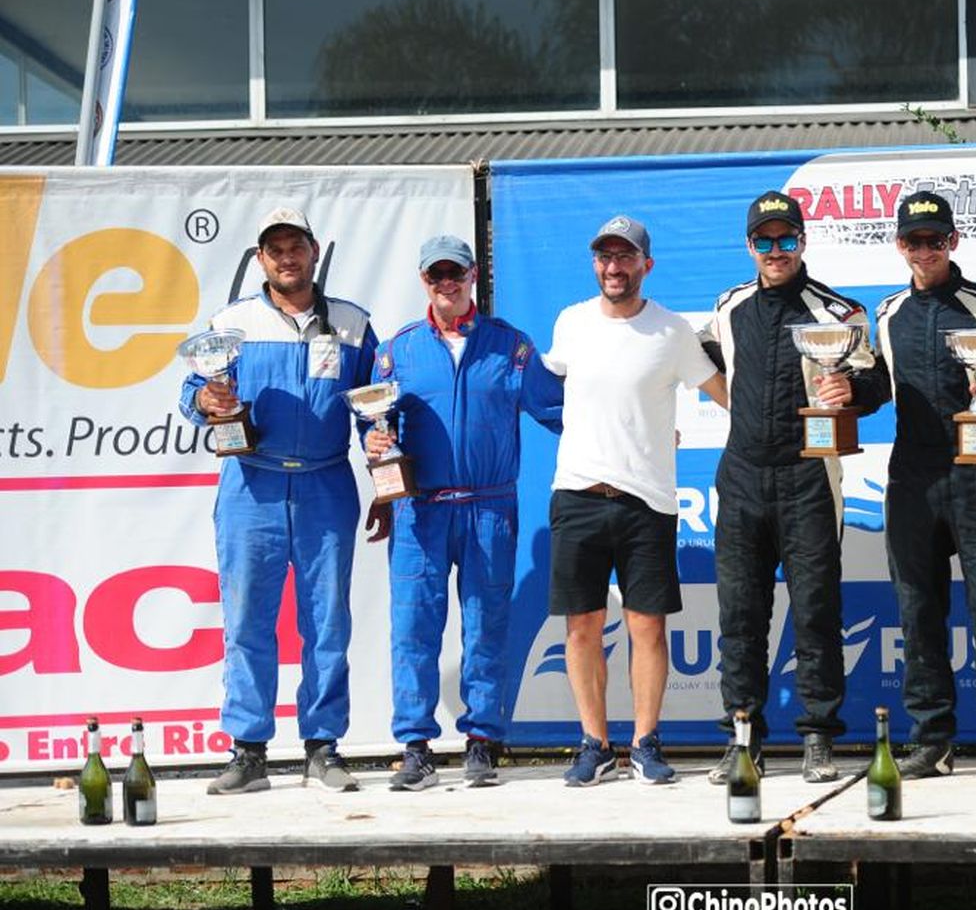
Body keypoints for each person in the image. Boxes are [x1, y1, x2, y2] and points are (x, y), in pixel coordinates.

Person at [180, 206, 379, 795]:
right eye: (275, 249)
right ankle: (249, 751)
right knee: (247, 622)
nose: (287, 257)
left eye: (296, 246)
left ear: (315, 252)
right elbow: (194, 391)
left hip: (325, 483)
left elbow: (372, 405)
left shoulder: (351, 322)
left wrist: (387, 472)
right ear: (260, 259)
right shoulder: (231, 322)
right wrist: (207, 403)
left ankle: (323, 748)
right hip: (252, 484)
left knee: (327, 621)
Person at [699, 190, 887, 786]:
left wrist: (848, 394)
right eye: (764, 240)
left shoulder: (839, 311)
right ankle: (742, 737)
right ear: (749, 246)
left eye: (786, 239)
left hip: (809, 477)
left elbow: (876, 382)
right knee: (740, 613)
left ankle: (817, 738)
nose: (775, 251)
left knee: (815, 610)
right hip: (743, 475)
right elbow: (702, 364)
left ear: (803, 242)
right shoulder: (728, 306)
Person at [364, 234, 563, 791]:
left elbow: (558, 409)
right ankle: (414, 746)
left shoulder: (511, 347)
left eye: (455, 274)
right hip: (420, 512)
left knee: (485, 626)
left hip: (489, 508)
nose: (446, 284)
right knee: (413, 629)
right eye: (436, 276)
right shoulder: (397, 349)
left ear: (473, 276)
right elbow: (373, 423)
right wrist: (373, 444)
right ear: (423, 280)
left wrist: (633, 428)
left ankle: (481, 741)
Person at [542, 215, 727, 786]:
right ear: (595, 264)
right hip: (577, 495)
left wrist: (784, 433)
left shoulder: (673, 331)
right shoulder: (571, 322)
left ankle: (646, 742)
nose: (614, 268)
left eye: (625, 258)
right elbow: (551, 396)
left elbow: (725, 396)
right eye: (605, 257)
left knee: (647, 627)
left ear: (646, 264)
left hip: (647, 502)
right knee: (582, 628)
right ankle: (593, 744)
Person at [873, 191, 976, 787]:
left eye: (935, 241)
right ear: (899, 246)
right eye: (913, 242)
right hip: (913, 476)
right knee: (918, 613)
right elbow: (874, 387)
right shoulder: (887, 314)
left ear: (953, 242)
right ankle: (931, 740)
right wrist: (840, 391)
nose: (924, 252)